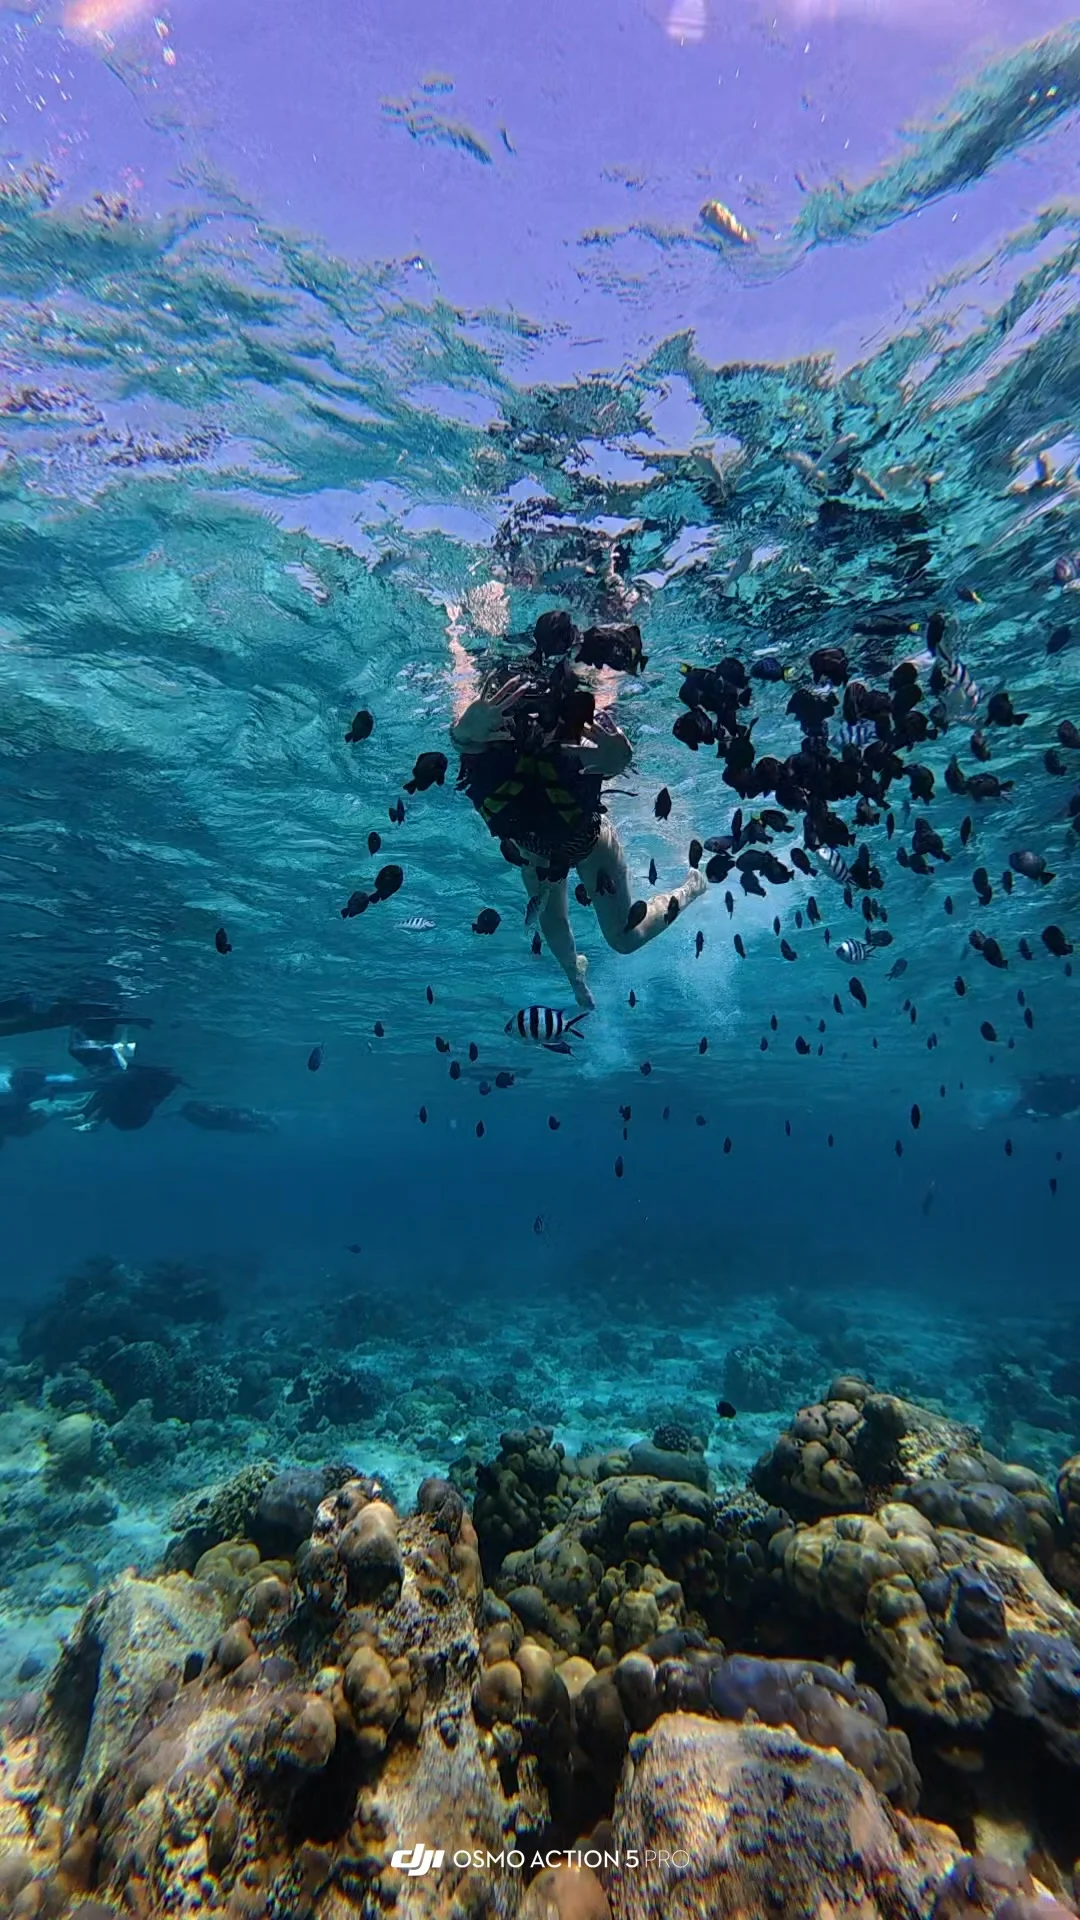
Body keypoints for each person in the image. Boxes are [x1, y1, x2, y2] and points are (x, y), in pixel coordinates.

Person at [450, 609, 705, 1008]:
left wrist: (619, 760)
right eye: (512, 700)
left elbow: (603, 751)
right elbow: (463, 734)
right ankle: (574, 975)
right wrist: (463, 729)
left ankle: (692, 888)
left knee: (623, 939)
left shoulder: (573, 723)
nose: (524, 711)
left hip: (589, 842)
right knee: (551, 920)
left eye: (529, 700)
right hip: (533, 852)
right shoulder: (481, 725)